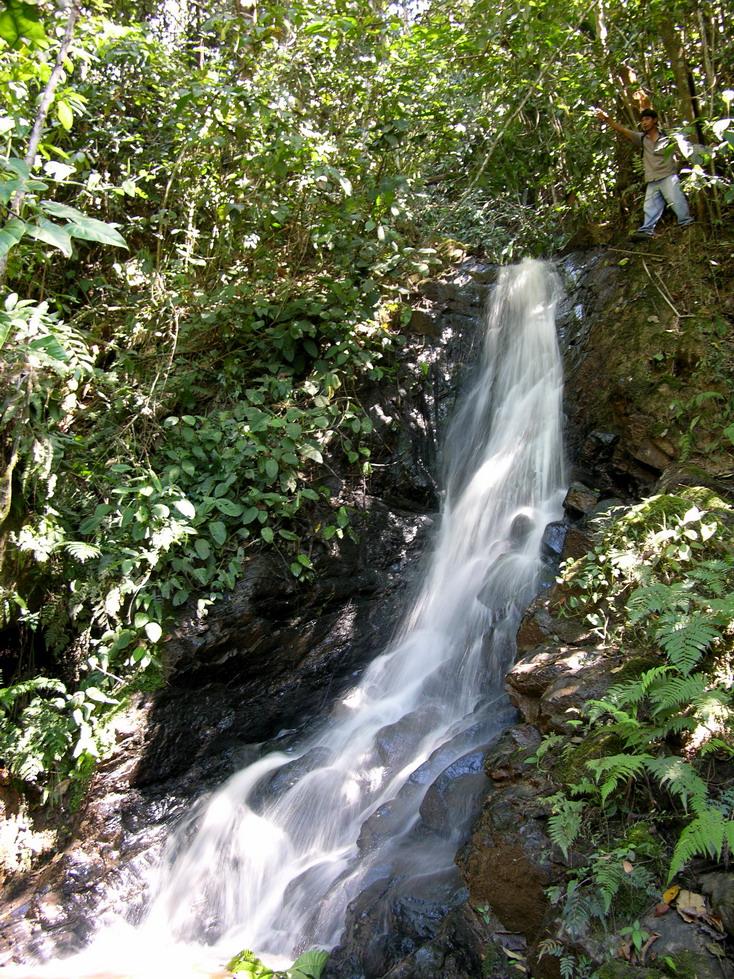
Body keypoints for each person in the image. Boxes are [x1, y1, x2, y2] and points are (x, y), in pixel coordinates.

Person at [596, 107, 694, 240]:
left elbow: (685, 147)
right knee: (649, 207)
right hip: (652, 179)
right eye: (642, 120)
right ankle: (647, 230)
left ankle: (687, 225)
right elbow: (622, 130)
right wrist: (607, 119)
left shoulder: (667, 136)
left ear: (655, 120)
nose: (644, 122)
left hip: (667, 176)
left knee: (677, 200)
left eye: (647, 119)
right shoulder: (642, 138)